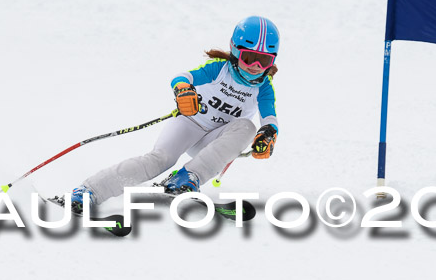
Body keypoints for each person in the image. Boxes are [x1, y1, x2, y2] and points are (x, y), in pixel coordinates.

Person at [69, 15, 280, 213]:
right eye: (249, 57)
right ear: (234, 50)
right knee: (158, 160)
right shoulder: (219, 69)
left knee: (248, 127)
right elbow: (182, 77)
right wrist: (183, 89)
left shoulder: (264, 87)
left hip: (214, 142)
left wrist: (268, 135)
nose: (255, 66)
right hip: (189, 124)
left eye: (264, 60)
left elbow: (269, 118)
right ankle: (89, 191)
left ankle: (188, 177)